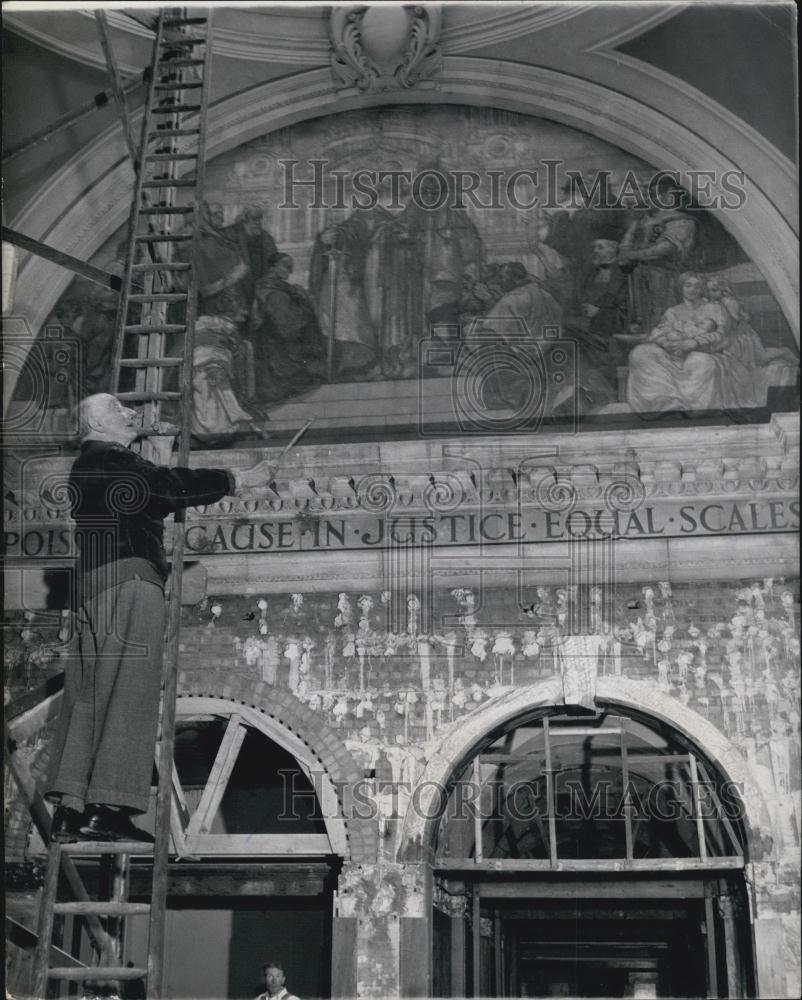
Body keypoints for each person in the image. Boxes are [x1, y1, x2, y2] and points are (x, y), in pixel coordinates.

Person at [45, 393, 276, 842]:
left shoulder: (91, 465)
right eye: (118, 410)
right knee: (130, 694)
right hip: (130, 581)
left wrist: (159, 457)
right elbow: (162, 488)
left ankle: (71, 810)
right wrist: (237, 479)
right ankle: (105, 809)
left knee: (90, 696)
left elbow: (143, 493)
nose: (131, 414)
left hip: (95, 588)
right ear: (95, 421)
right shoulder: (111, 458)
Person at [625, 272, 757, 412]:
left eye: (697, 286)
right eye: (688, 285)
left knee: (701, 362)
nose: (692, 290)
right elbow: (659, 332)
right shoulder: (672, 312)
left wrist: (694, 343)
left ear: (702, 289)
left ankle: (694, 408)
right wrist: (666, 343)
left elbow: (722, 336)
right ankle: (666, 401)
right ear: (681, 287)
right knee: (640, 353)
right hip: (672, 353)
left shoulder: (714, 308)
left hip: (702, 352)